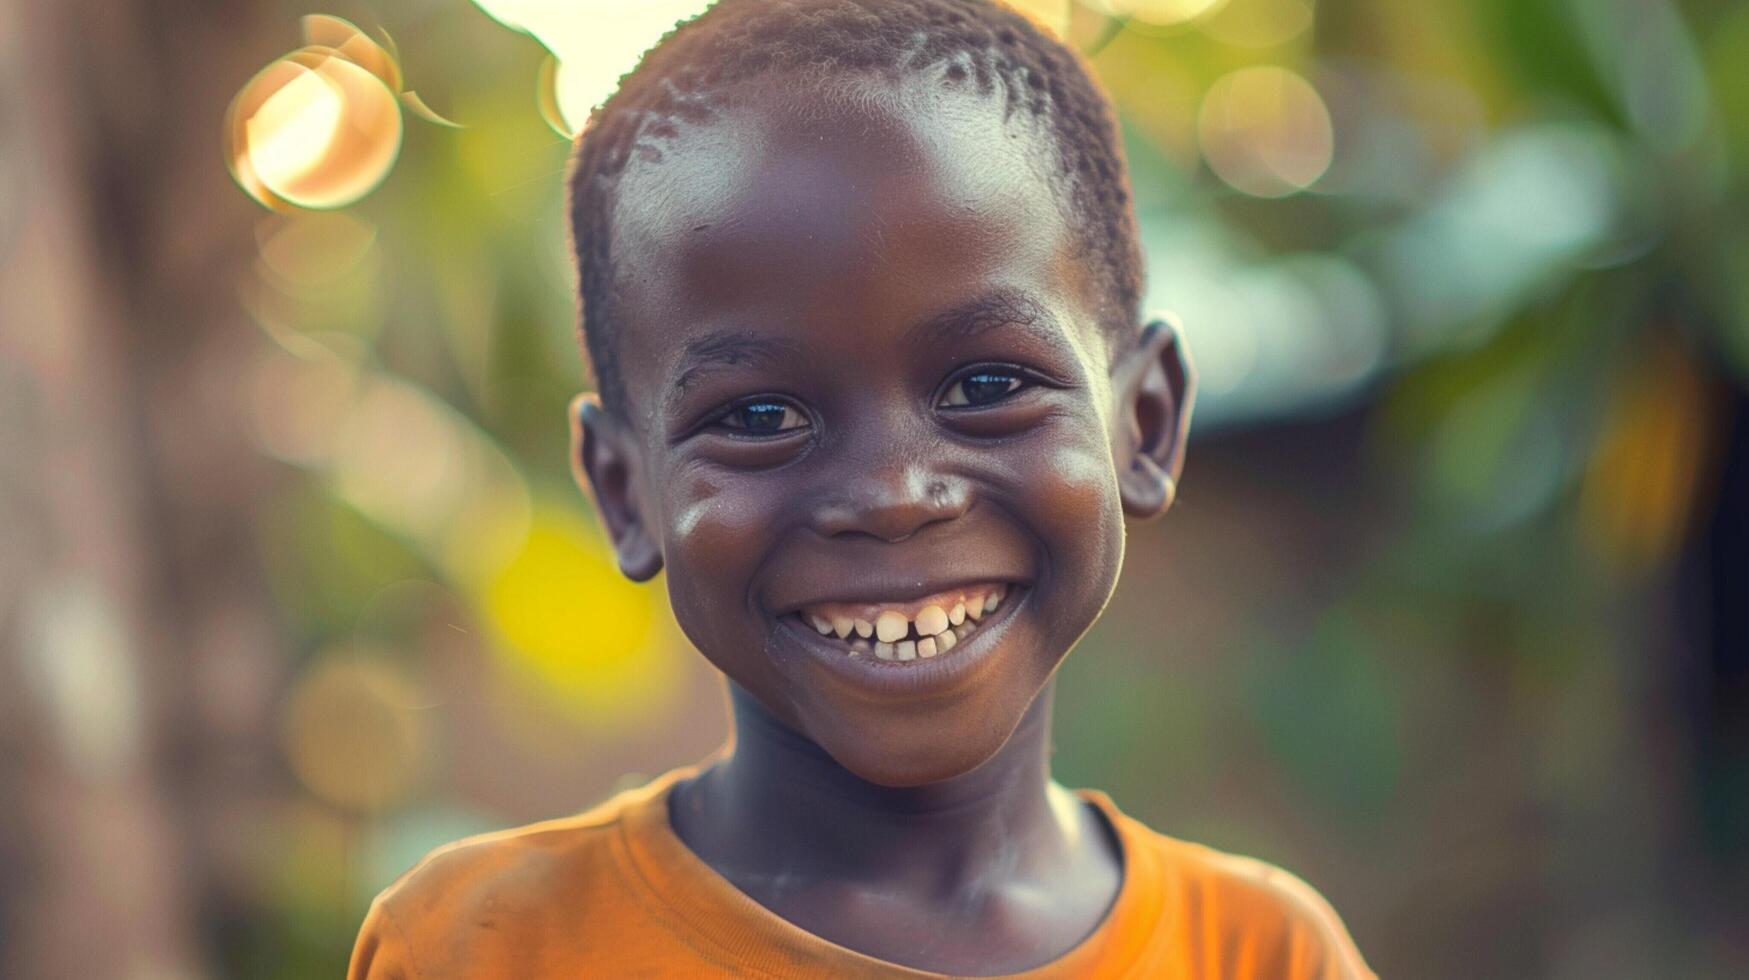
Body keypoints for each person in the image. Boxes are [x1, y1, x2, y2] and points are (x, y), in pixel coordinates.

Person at [348, 0, 1376, 975]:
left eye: (987, 385)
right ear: (624, 490)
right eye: (759, 416)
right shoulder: (481, 948)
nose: (893, 493)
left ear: (1143, 422)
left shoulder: (1261, 951)